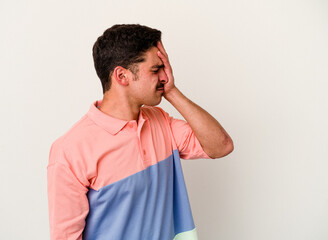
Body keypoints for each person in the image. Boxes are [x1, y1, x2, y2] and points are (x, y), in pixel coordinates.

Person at [47, 24, 234, 240]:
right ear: (122, 76)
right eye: (156, 70)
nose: (164, 77)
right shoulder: (70, 151)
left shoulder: (161, 121)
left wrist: (172, 92)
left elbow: (221, 146)